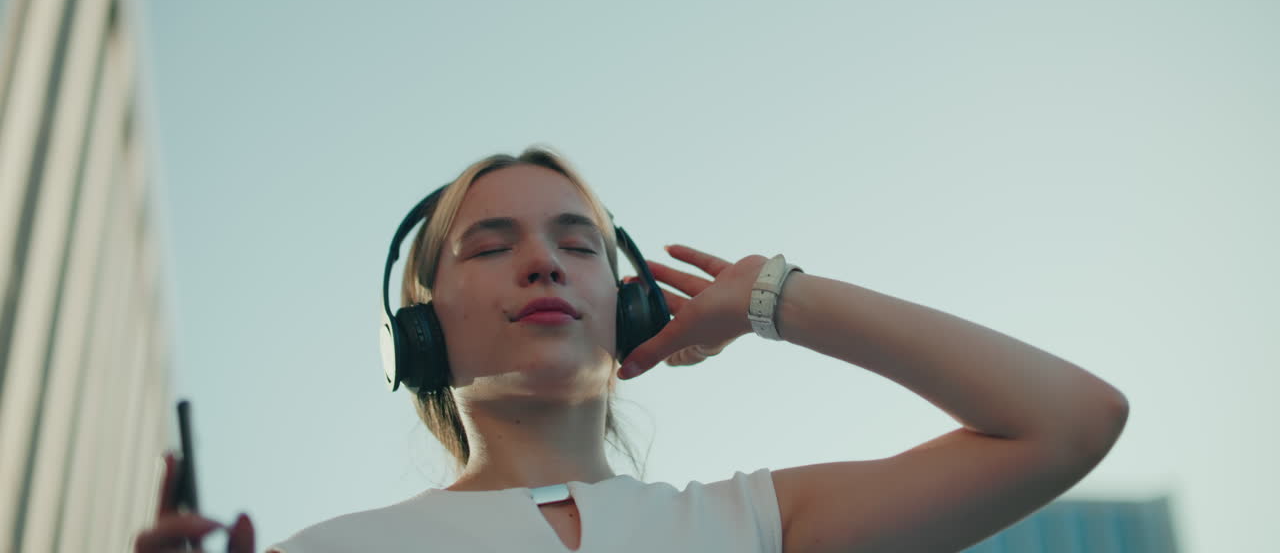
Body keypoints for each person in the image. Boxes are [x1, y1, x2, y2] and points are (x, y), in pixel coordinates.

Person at [134, 145, 1128, 552]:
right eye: (492, 243)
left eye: (577, 244)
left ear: (637, 306)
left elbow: (1066, 424)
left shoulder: (748, 523)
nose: (543, 263)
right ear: (421, 326)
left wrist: (777, 299)